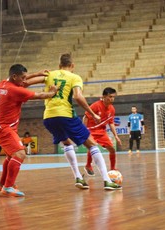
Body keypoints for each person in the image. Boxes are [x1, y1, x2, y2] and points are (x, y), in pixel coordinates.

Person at [27, 53, 122, 190]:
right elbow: (78, 96)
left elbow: (24, 82)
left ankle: (78, 177)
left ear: (59, 66)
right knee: (92, 145)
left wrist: (34, 74)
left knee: (66, 143)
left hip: (48, 117)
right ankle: (107, 181)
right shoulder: (74, 77)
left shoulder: (49, 75)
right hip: (65, 115)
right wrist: (92, 113)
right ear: (72, 65)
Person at [0, 64, 58, 197]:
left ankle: (2, 184)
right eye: (22, 77)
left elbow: (24, 83)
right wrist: (52, 92)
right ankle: (8, 187)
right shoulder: (15, 91)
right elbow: (39, 95)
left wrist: (36, 74)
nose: (24, 80)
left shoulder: (3, 84)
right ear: (14, 76)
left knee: (11, 156)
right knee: (20, 154)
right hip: (4, 129)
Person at [83, 87, 122, 176]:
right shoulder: (96, 105)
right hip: (91, 131)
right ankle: (88, 165)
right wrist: (84, 132)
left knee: (112, 150)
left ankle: (112, 169)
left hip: (101, 132)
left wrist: (116, 136)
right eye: (110, 96)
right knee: (92, 147)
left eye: (113, 97)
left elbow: (111, 123)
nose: (112, 99)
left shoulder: (112, 109)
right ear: (104, 96)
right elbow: (85, 117)